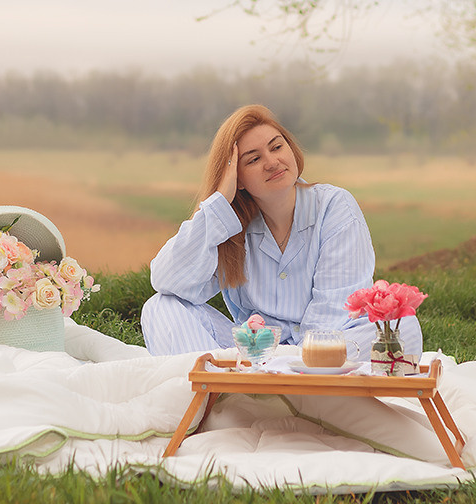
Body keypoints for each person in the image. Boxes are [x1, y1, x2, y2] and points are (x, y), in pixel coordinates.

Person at [142, 104, 424, 357]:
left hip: (329, 348)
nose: (272, 162)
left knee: (404, 328)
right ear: (236, 178)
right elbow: (168, 280)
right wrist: (217, 205)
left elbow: (331, 314)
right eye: (253, 159)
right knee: (160, 307)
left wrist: (286, 364)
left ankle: (245, 392)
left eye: (276, 147)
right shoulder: (229, 225)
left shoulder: (334, 206)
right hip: (257, 350)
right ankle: (219, 393)